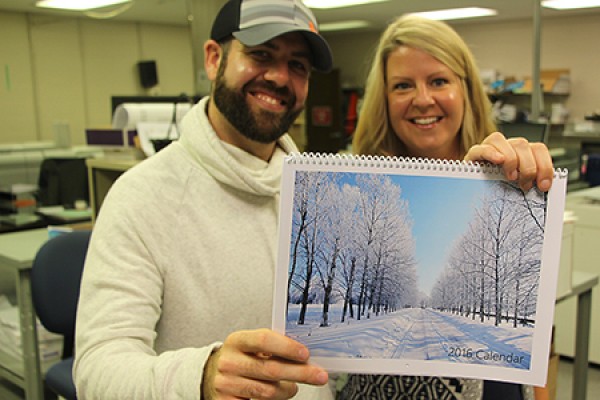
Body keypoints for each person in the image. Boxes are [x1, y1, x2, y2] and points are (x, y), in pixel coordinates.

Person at [73, 1, 336, 399]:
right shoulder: (142, 196)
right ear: (214, 59)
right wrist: (202, 376)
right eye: (261, 54)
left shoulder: (318, 194)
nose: (280, 77)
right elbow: (97, 370)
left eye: (298, 65)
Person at [340, 15, 554, 400]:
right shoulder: (355, 196)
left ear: (466, 90)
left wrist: (529, 187)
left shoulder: (511, 187)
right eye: (403, 85)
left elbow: (541, 338)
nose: (423, 99)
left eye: (438, 80)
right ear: (384, 101)